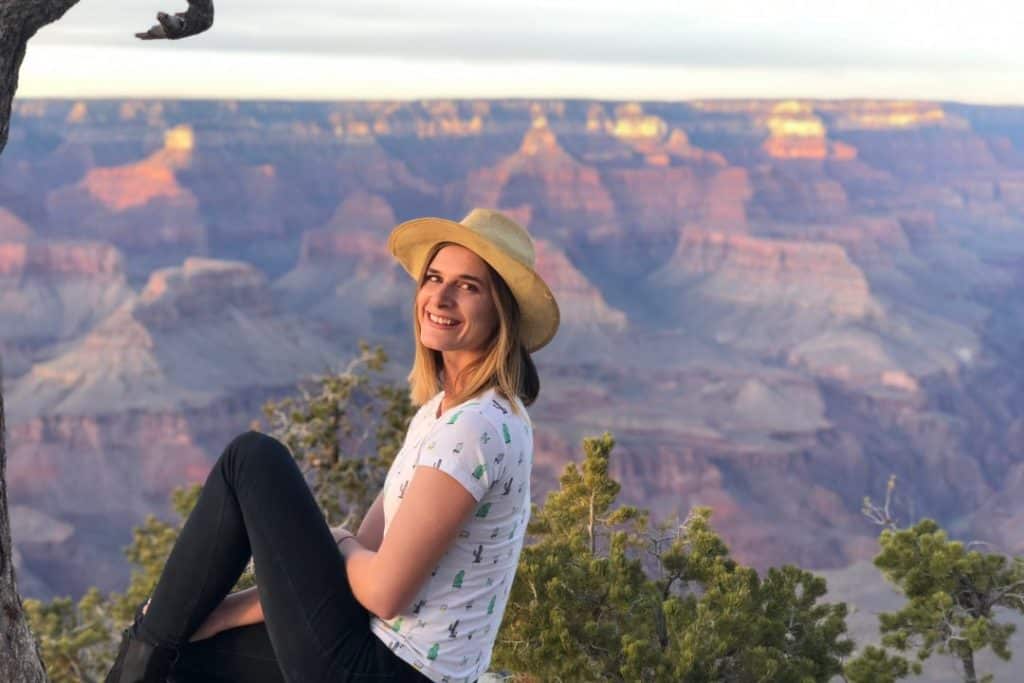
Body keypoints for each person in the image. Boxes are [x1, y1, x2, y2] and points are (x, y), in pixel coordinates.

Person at [105, 208, 560, 683]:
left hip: (388, 668)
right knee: (185, 653)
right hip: (370, 648)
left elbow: (382, 591)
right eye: (433, 278)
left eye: (469, 287)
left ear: (501, 310)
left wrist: (336, 541)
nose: (439, 298)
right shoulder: (441, 413)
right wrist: (214, 614)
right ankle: (147, 647)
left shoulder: (476, 428)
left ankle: (140, 651)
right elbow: (351, 565)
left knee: (253, 461)